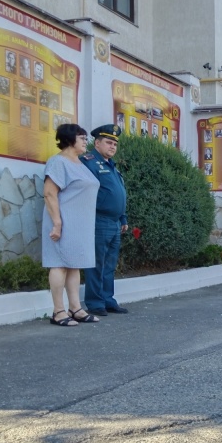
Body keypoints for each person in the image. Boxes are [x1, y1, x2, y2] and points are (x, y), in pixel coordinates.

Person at [42, 124, 101, 326]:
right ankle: (58, 312)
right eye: (82, 137)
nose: (86, 141)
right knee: (59, 264)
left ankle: (75, 308)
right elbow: (50, 193)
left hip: (80, 225)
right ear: (69, 138)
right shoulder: (58, 162)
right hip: (64, 222)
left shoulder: (80, 163)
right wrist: (57, 223)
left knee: (74, 265)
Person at [81, 124, 130, 316]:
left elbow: (119, 194)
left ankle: (108, 300)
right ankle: (95, 303)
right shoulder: (88, 162)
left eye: (115, 144)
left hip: (114, 222)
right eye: (108, 143)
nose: (112, 147)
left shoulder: (112, 166)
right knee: (96, 264)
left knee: (110, 265)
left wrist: (123, 217)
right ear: (97, 143)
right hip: (98, 220)